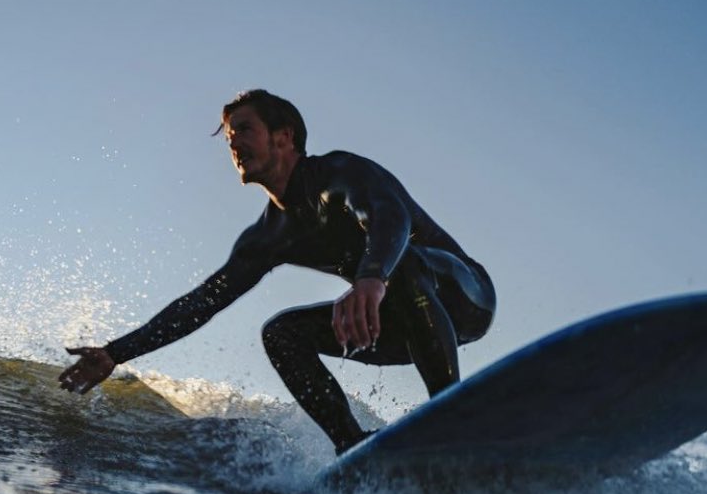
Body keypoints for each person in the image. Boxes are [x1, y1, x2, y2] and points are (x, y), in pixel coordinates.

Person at [58, 89, 496, 454]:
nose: (233, 144)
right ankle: (353, 446)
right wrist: (116, 352)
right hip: (396, 318)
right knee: (282, 334)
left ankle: (449, 415)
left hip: (463, 295)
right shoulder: (269, 236)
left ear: (284, 137)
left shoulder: (339, 173)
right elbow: (201, 304)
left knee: (405, 262)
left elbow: (389, 216)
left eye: (244, 130)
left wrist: (371, 277)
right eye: (229, 137)